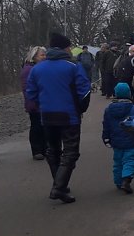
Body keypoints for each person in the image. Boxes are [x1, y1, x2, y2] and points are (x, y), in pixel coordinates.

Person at [25, 32, 91, 203]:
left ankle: (59, 183)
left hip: (46, 115)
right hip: (69, 115)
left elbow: (30, 93)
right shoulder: (73, 66)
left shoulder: (37, 68)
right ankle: (59, 188)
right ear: (65, 48)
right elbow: (84, 91)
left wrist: (43, 105)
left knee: (52, 150)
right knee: (70, 152)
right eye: (69, 47)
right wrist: (80, 108)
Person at [102, 82, 134, 194]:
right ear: (129, 94)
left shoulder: (108, 110)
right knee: (130, 160)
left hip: (116, 141)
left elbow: (106, 125)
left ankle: (118, 182)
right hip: (131, 140)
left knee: (117, 161)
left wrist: (106, 138)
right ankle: (126, 179)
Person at [19, 46, 47, 160]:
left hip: (43, 103)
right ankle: (36, 150)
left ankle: (44, 149)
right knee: (36, 126)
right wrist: (32, 104)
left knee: (44, 126)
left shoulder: (41, 68)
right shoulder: (28, 70)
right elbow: (27, 89)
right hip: (34, 103)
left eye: (45, 55)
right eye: (42, 55)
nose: (44, 57)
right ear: (34, 57)